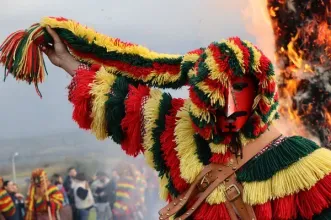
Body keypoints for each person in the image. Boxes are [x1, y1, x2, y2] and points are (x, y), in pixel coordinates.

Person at [2, 17, 331, 219]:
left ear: (262, 91)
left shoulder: (309, 167)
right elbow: (124, 103)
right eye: (221, 91)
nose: (232, 105)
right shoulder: (182, 135)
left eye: (241, 89)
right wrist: (69, 64)